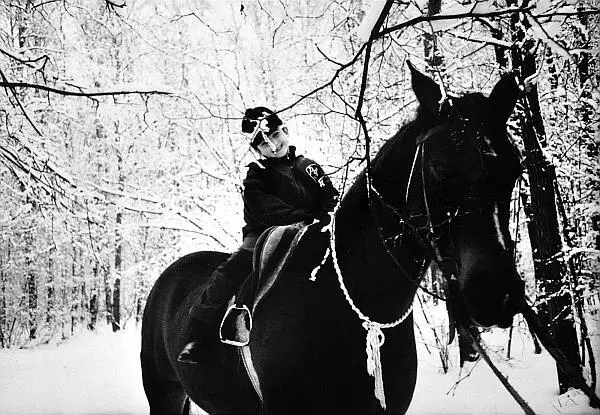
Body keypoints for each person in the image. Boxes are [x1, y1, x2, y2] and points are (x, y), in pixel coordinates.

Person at [178, 106, 339, 364]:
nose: (273, 146)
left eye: (275, 136)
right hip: (267, 236)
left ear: (285, 131)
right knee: (231, 271)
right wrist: (305, 218)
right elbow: (265, 209)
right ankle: (199, 335)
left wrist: (325, 215)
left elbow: (330, 196)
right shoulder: (257, 176)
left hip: (315, 233)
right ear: (256, 149)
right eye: (263, 143)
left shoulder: (310, 168)